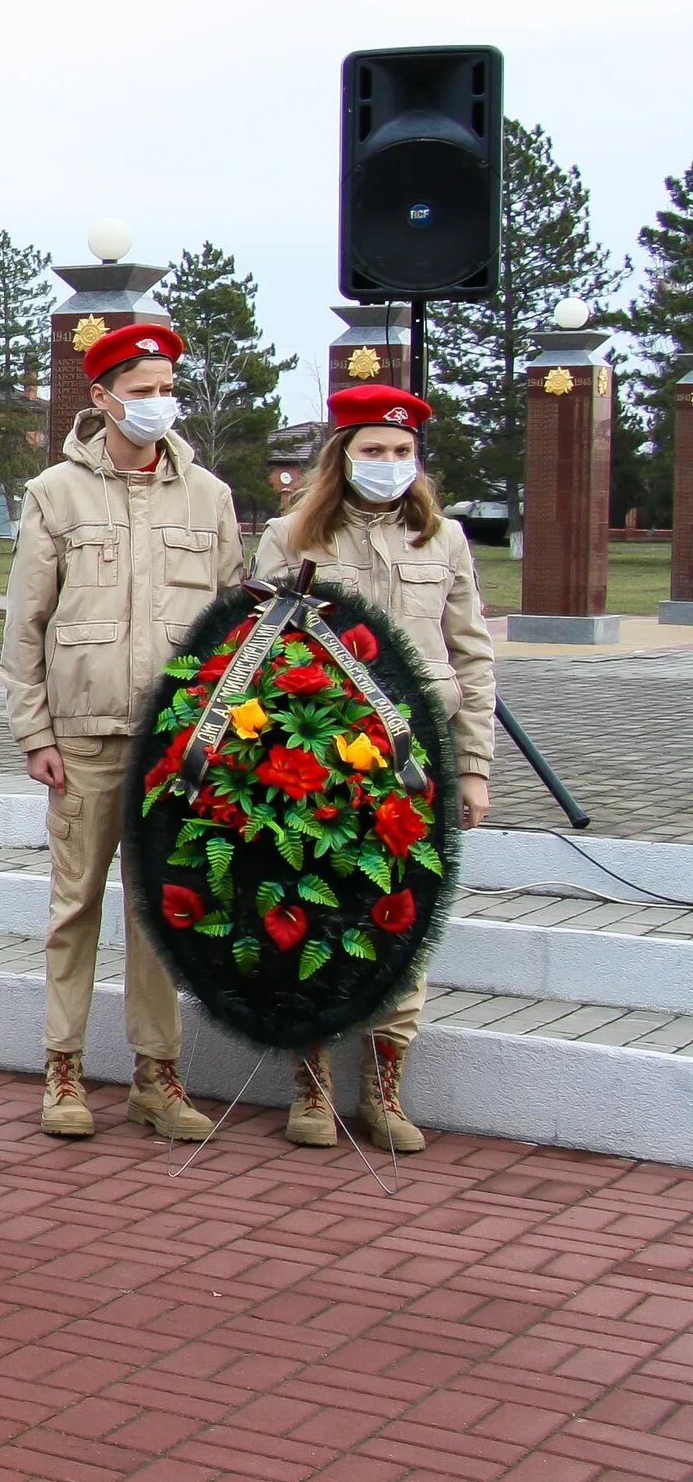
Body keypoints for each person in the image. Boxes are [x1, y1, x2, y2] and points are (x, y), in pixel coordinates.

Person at [3, 322, 245, 1144]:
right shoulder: (55, 494)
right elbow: (25, 625)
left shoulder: (208, 497)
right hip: (84, 739)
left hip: (179, 746)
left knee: (160, 913)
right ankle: (63, 1070)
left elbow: (233, 623)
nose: (158, 405)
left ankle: (155, 1076)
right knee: (75, 907)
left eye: (166, 389)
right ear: (102, 398)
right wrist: (35, 731)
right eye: (142, 392)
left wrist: (227, 734)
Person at [255, 386, 494, 1155]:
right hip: (322, 760)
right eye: (372, 451)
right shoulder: (294, 537)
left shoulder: (443, 540)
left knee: (402, 917)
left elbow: (474, 656)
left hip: (417, 762)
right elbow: (254, 656)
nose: (389, 465)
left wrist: (475, 769)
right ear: (341, 457)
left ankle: (384, 1090)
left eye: (401, 452)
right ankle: (313, 1084)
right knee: (320, 908)